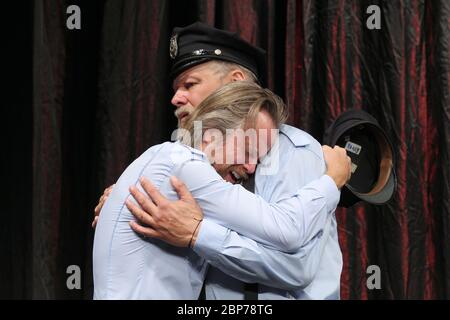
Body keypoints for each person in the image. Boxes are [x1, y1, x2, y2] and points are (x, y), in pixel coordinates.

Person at [93, 22, 351, 299]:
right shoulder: (184, 161)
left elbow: (297, 266)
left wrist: (196, 233)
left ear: (236, 83)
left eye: (190, 84)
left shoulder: (289, 148)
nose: (176, 98)